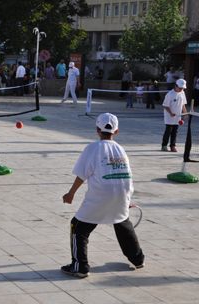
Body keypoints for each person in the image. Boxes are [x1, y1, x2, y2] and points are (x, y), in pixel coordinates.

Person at [61, 113, 144, 278]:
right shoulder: (121, 149)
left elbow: (81, 175)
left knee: (78, 227)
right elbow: (126, 175)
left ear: (97, 130)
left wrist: (70, 194)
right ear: (117, 131)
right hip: (123, 191)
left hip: (102, 194)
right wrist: (125, 198)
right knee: (121, 221)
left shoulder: (92, 148)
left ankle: (80, 266)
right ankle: (137, 258)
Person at [161, 79, 188, 152]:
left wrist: (185, 113)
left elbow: (183, 104)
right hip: (169, 116)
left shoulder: (182, 93)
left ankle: (173, 146)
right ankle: (164, 145)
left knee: (175, 132)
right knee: (168, 131)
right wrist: (170, 113)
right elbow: (165, 105)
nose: (181, 89)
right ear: (176, 86)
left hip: (178, 116)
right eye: (180, 88)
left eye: (182, 88)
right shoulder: (170, 94)